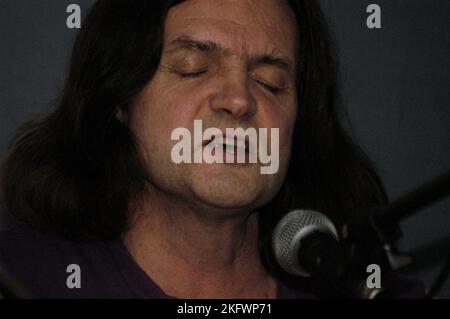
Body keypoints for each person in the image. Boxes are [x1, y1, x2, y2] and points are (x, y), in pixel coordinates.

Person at [0, 0, 423, 298]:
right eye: (193, 68)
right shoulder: (22, 278)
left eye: (270, 82)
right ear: (120, 100)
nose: (239, 101)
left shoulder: (361, 289)